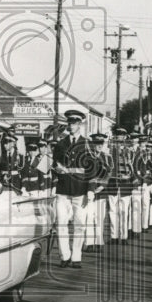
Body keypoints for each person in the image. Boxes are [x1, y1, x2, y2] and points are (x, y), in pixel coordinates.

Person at [53, 109, 91, 268]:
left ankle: (76, 257)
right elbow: (54, 164)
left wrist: (90, 190)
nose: (71, 125)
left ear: (80, 124)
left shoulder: (86, 144)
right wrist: (57, 169)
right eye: (69, 122)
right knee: (61, 223)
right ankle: (64, 256)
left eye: (74, 123)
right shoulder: (60, 144)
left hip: (79, 190)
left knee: (79, 224)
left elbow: (91, 169)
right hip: (62, 190)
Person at [106, 127, 134, 243]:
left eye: (121, 136)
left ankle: (124, 236)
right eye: (117, 135)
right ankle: (114, 236)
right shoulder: (109, 149)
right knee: (112, 211)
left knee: (124, 211)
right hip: (113, 183)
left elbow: (132, 167)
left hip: (125, 184)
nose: (119, 138)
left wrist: (129, 177)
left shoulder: (129, 149)